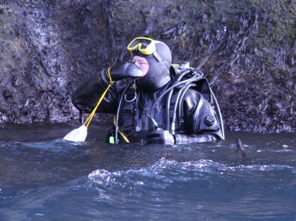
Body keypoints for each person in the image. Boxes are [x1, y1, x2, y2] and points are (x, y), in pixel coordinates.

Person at [71, 37, 224, 144]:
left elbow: (215, 139)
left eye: (141, 63)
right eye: (133, 62)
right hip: (125, 168)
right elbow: (81, 102)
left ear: (159, 66)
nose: (134, 67)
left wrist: (176, 140)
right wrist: (106, 76)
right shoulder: (122, 91)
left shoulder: (188, 98)